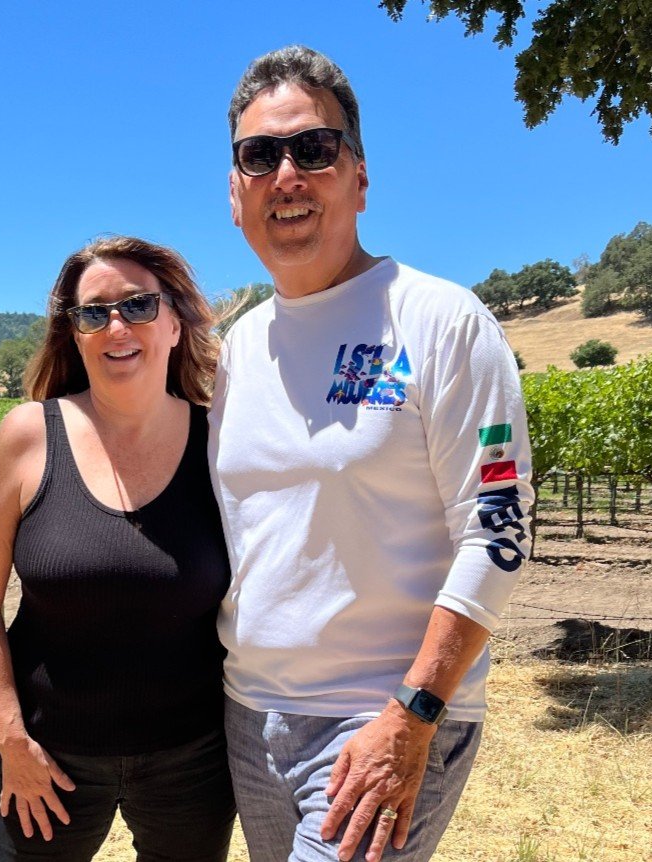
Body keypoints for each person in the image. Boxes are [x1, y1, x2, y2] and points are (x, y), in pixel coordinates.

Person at [208, 46, 533, 862]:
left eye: (313, 149)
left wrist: (412, 713)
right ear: (234, 194)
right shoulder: (236, 351)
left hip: (381, 715)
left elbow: (500, 528)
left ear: (359, 177)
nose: (287, 174)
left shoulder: (440, 321)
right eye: (260, 155)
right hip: (251, 718)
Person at [0, 235, 235, 861]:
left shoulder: (220, 443)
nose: (117, 325)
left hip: (191, 762)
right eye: (93, 312)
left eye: (138, 305)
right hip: (47, 760)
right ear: (74, 334)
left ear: (173, 322)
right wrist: (11, 740)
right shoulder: (27, 438)